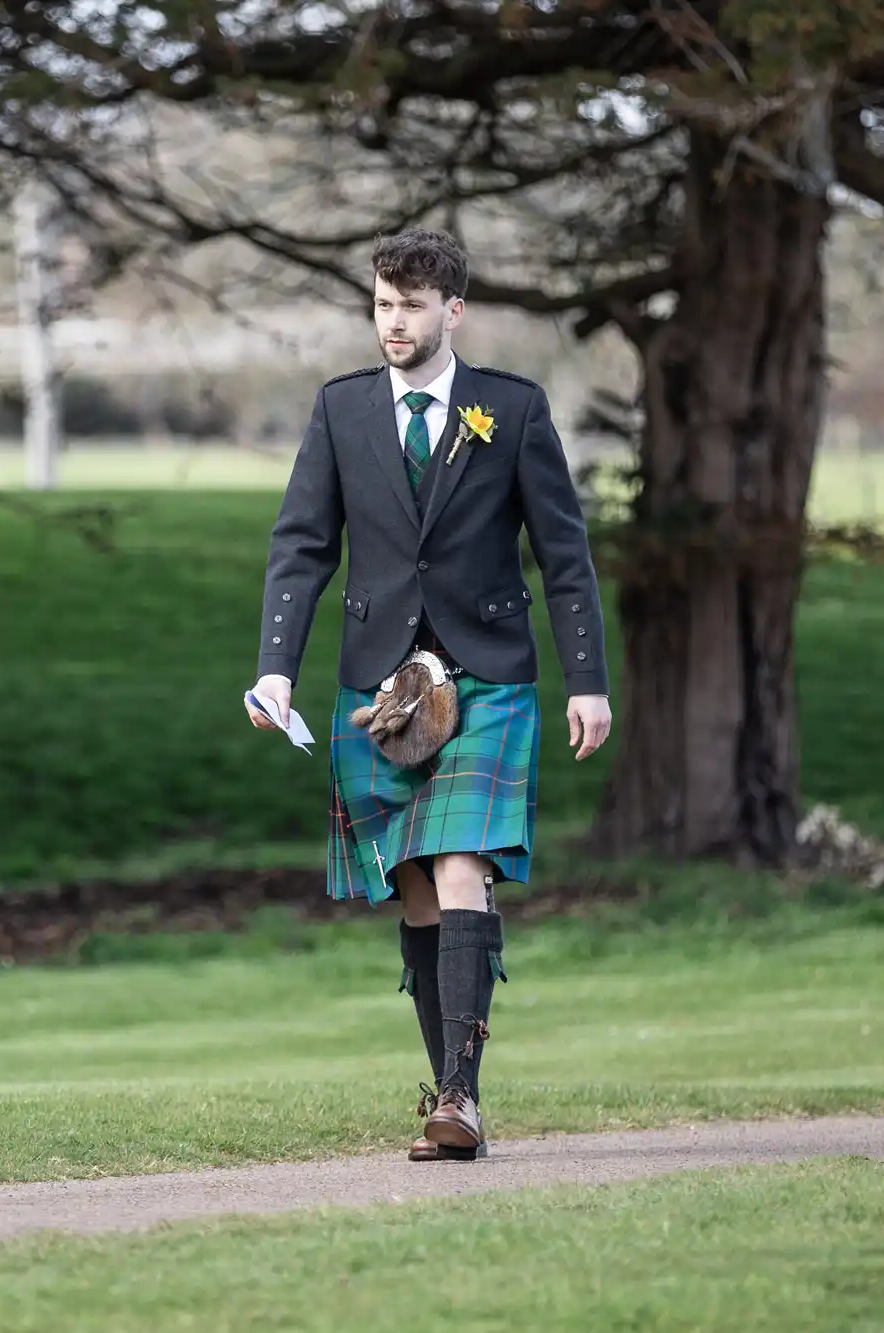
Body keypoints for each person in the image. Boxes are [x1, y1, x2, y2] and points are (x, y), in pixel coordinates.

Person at [245, 226, 612, 1161]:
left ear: (454, 310)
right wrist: (276, 668)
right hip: (379, 687)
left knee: (459, 867)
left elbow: (564, 557)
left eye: (410, 305)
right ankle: (454, 1092)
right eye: (380, 303)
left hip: (488, 672)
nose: (392, 322)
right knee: (414, 890)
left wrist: (588, 682)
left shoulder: (511, 412)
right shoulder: (343, 411)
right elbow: (301, 546)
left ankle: (456, 1098)